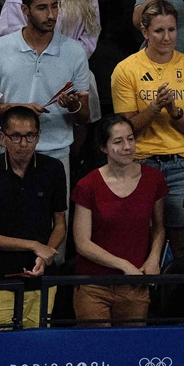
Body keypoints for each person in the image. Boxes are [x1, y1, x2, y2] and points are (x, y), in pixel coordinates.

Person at [113, 0, 184, 258]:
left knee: (179, 244)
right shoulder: (125, 69)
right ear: (145, 32)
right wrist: (154, 108)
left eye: (172, 30)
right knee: (139, 239)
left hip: (182, 165)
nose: (167, 37)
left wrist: (174, 111)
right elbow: (125, 131)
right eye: (159, 31)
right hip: (140, 164)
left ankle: (171, 295)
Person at [0, 0, 96, 172]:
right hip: (9, 150)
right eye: (42, 8)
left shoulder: (74, 51)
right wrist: (14, 109)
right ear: (25, 10)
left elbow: (84, 116)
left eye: (55, 7)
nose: (51, 15)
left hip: (56, 153)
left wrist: (74, 106)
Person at [0, 106, 69, 328]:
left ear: (38, 136)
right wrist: (34, 245)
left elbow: (60, 224)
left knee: (36, 352)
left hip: (40, 277)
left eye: (30, 136)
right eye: (15, 136)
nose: (23, 144)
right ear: (2, 137)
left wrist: (45, 256)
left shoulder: (53, 169)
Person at [69, 117, 165, 325]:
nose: (127, 147)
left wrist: (154, 258)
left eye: (130, 139)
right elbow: (82, 244)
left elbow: (158, 227)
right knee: (95, 350)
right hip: (93, 285)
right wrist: (123, 265)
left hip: (135, 282)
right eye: (118, 141)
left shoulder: (153, 179)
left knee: (132, 349)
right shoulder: (88, 185)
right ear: (104, 147)